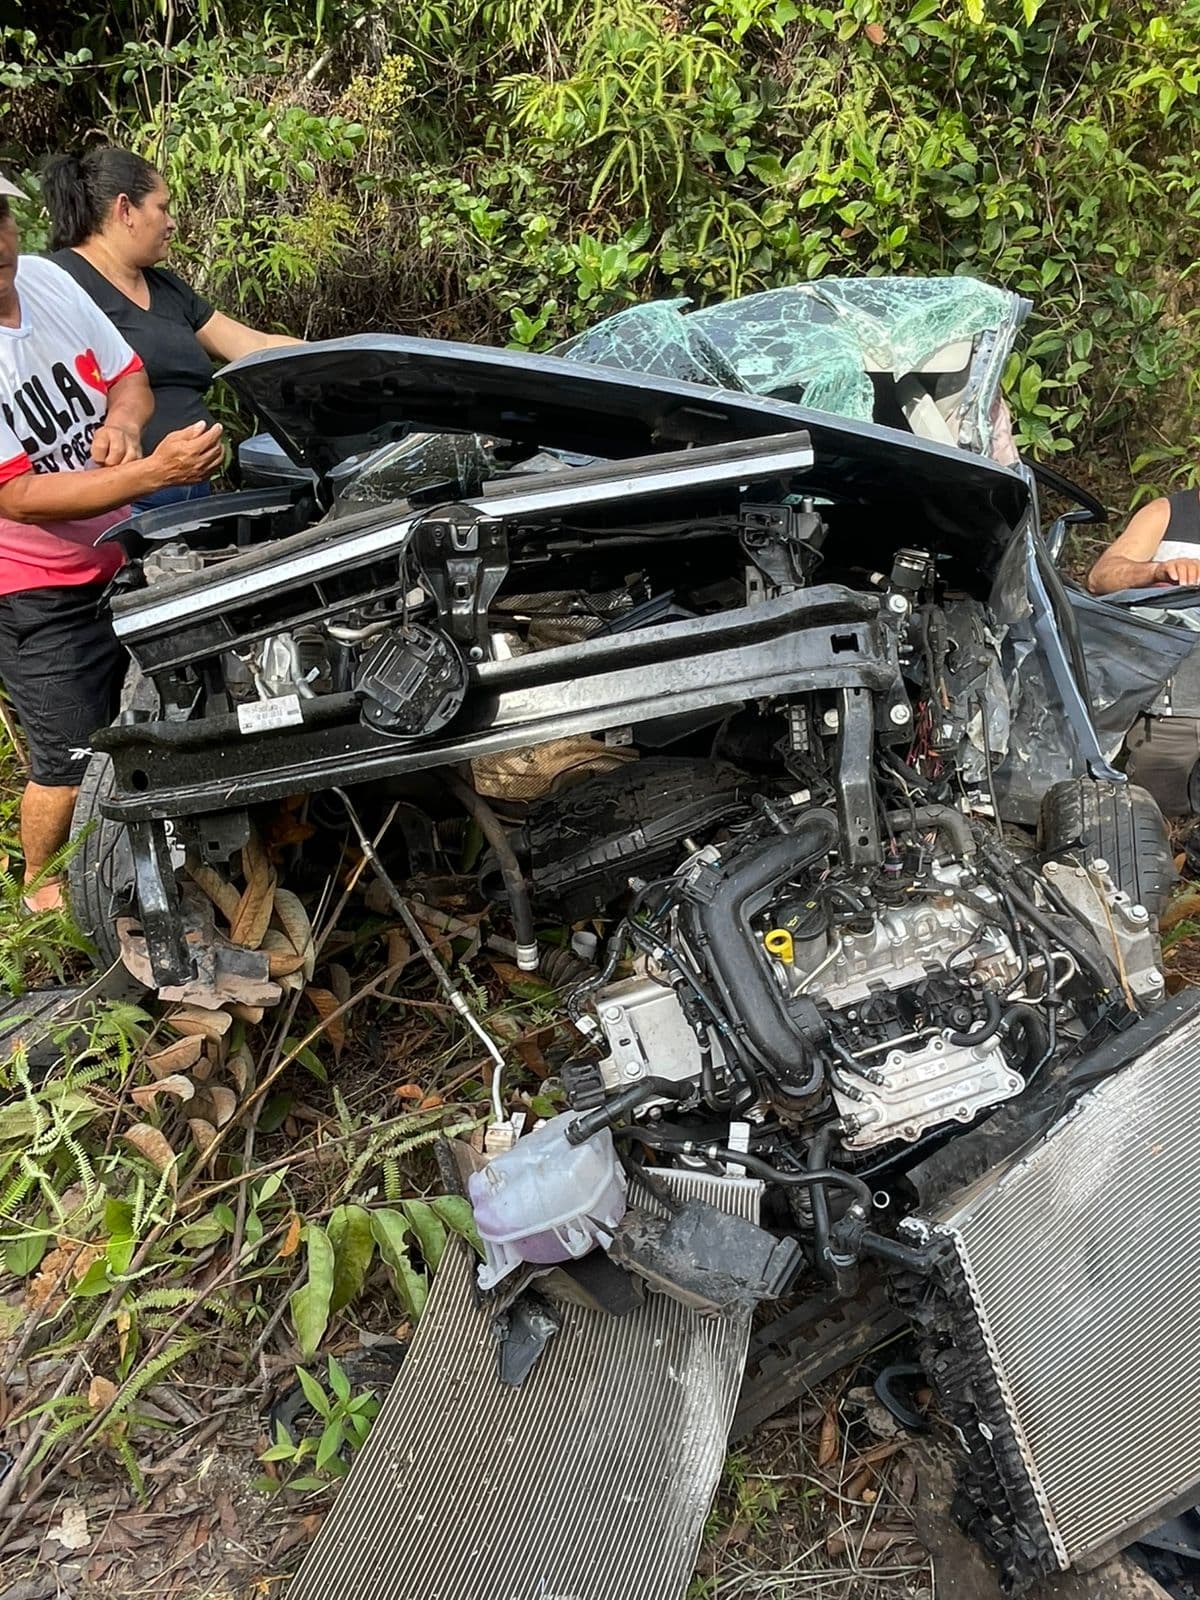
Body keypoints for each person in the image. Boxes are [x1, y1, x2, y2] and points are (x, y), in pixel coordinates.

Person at [0, 173, 222, 912]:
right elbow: (18, 496)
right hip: (33, 581)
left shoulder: (47, 282)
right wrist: (153, 471)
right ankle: (39, 882)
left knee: (176, 698)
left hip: (123, 543)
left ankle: (162, 840)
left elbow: (130, 378)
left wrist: (123, 427)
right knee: (67, 753)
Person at [42, 147, 298, 510]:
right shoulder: (59, 283)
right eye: (162, 208)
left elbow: (253, 344)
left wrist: (349, 356)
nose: (171, 222)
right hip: (125, 501)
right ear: (125, 209)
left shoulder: (166, 287)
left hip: (194, 494)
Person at [1088, 489, 1200, 817]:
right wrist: (1156, 571)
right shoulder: (1168, 513)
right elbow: (1100, 577)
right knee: (1155, 822)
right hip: (1172, 714)